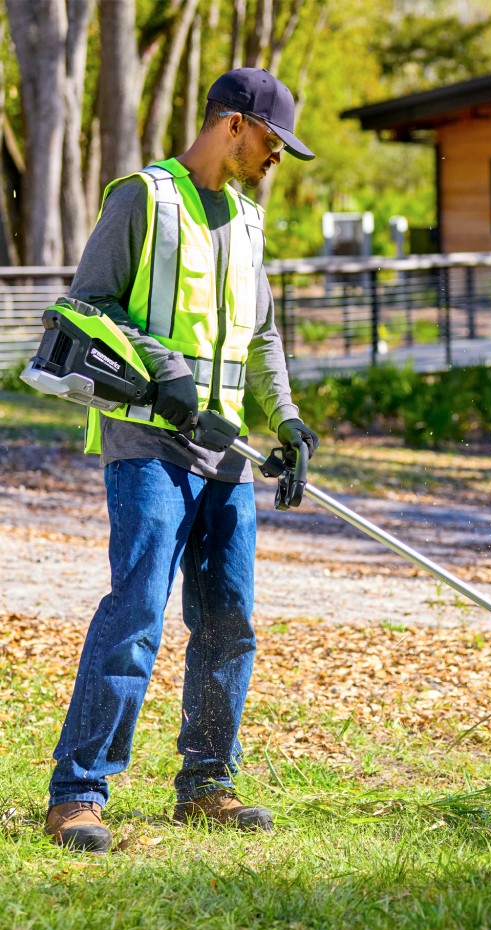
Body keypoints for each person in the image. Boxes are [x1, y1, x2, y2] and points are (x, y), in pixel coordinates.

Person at [43, 68, 319, 854]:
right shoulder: (143, 198)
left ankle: (207, 782)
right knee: (137, 612)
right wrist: (161, 370)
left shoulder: (248, 218)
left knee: (228, 620)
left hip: (225, 447)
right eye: (272, 141)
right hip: (147, 445)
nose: (277, 157)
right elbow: (84, 305)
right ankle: (79, 792)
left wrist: (290, 421)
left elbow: (261, 336)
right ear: (235, 124)